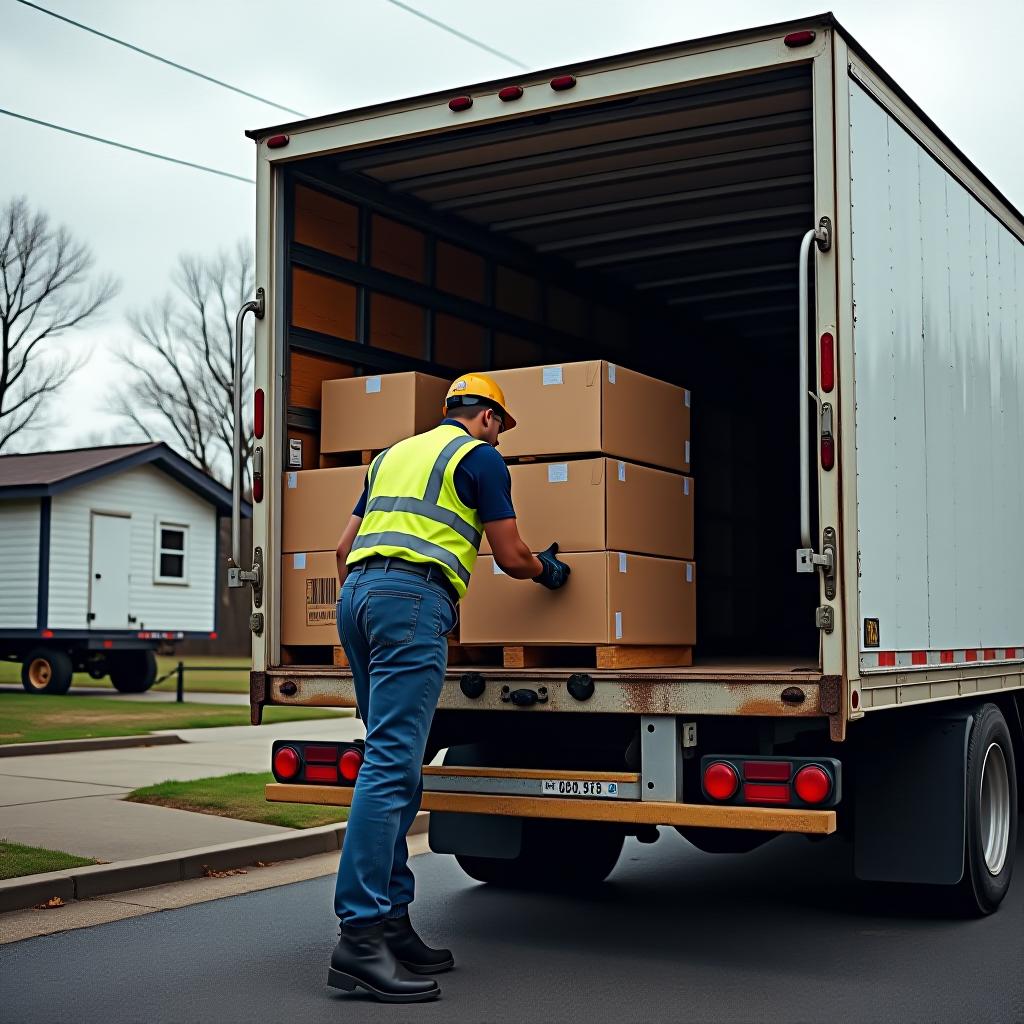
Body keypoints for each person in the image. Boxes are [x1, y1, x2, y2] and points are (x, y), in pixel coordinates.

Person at [327, 372, 571, 1003]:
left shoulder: (390, 456)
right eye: (503, 426)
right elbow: (511, 555)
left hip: (355, 598)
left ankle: (391, 921)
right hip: (411, 602)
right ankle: (358, 942)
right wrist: (550, 570)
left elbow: (341, 547)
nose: (502, 438)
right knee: (389, 765)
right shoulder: (479, 458)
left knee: (399, 767)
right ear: (487, 417)